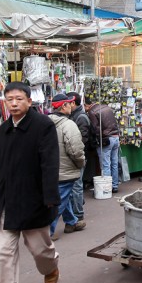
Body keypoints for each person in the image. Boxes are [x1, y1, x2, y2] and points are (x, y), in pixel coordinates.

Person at [0, 82, 61, 283]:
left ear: (29, 100)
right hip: (8, 200)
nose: (14, 103)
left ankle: (50, 267)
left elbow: (50, 162)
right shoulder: (5, 128)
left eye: (18, 98)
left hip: (33, 199)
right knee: (4, 254)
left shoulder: (43, 126)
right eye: (9, 99)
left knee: (40, 249)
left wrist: (50, 196)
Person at [48, 93, 86, 237]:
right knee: (60, 199)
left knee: (65, 196)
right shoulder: (68, 124)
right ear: (64, 106)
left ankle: (71, 222)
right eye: (69, 103)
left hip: (51, 170)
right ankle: (47, 232)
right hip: (66, 171)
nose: (72, 105)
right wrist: (80, 163)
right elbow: (76, 150)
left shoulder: (45, 122)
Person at [66, 91, 93, 217]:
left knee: (76, 185)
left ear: (72, 102)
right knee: (75, 185)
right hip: (75, 155)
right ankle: (77, 205)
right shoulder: (74, 116)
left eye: (66, 103)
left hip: (78, 155)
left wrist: (76, 153)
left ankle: (78, 213)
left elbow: (82, 139)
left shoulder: (80, 117)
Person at [87, 97, 121, 193]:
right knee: (114, 163)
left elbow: (96, 128)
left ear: (86, 105)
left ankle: (107, 187)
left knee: (105, 164)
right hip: (115, 136)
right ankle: (115, 185)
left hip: (106, 139)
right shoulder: (106, 107)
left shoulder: (92, 112)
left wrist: (96, 139)